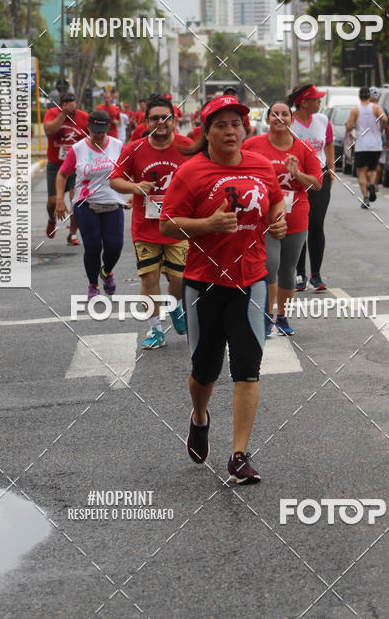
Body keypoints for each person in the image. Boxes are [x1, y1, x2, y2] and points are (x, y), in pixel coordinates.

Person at [159, 94, 286, 484]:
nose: (230, 131)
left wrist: (278, 221)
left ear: (245, 129)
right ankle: (199, 418)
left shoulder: (261, 166)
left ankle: (239, 455)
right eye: (221, 124)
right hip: (204, 284)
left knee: (247, 369)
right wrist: (208, 225)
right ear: (206, 131)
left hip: (252, 282)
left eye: (236, 124)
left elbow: (276, 202)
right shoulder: (191, 172)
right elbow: (167, 225)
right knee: (205, 370)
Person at [109, 95, 193, 348]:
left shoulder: (187, 146)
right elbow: (115, 180)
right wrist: (136, 186)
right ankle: (155, 329)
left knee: (178, 280)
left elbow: (203, 175)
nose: (161, 122)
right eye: (155, 117)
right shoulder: (133, 149)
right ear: (146, 122)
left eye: (165, 117)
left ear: (173, 120)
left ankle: (175, 306)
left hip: (178, 226)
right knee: (149, 278)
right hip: (145, 227)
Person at [242, 101, 322, 336]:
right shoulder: (252, 145)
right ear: (267, 120)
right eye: (274, 114)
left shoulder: (304, 149)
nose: (279, 118)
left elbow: (317, 184)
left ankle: (283, 317)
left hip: (296, 217)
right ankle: (266, 316)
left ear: (291, 120)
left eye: (284, 114)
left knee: (287, 269)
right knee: (269, 266)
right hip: (265, 218)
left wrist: (297, 173)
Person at [55, 110, 125, 298]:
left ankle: (107, 271)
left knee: (114, 246)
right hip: (85, 204)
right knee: (93, 246)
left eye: (102, 132)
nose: (99, 136)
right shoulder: (78, 149)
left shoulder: (118, 146)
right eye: (95, 132)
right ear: (88, 129)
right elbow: (62, 174)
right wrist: (60, 199)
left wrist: (134, 191)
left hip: (112, 202)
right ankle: (92, 285)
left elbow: (131, 170)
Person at [288, 84, 334, 292]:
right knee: (299, 225)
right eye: (316, 99)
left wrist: (331, 169)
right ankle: (299, 274)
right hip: (295, 180)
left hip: (319, 177)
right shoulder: (289, 122)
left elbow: (329, 144)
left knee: (316, 223)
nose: (320, 102)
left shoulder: (323, 120)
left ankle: (316, 275)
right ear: (305, 102)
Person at [43, 92, 88, 245]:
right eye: (66, 103)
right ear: (61, 104)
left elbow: (92, 139)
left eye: (72, 102)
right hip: (56, 164)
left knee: (76, 202)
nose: (70, 105)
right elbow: (49, 131)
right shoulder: (52, 113)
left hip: (76, 167)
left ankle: (72, 234)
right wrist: (63, 114)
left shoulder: (83, 117)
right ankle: (51, 219)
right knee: (53, 201)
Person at [346, 87, 387, 209]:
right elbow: (384, 119)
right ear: (369, 96)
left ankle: (365, 198)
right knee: (373, 169)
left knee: (362, 172)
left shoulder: (355, 110)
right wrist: (381, 128)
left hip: (362, 145)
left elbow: (349, 126)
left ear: (359, 97)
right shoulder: (376, 107)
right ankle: (372, 184)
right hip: (376, 145)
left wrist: (351, 128)